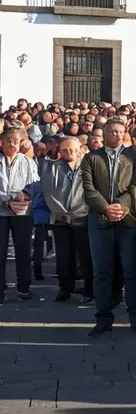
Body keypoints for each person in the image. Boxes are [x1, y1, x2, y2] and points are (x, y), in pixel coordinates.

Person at [80, 119, 136, 336]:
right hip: (100, 221)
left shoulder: (134, 155)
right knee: (102, 271)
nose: (117, 135)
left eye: (120, 131)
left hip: (128, 221)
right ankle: (103, 317)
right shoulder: (91, 158)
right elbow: (88, 189)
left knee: (132, 270)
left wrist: (123, 206)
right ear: (104, 134)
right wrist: (106, 209)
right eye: (112, 132)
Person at [42, 136, 92, 303]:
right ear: (60, 151)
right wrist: (62, 212)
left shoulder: (88, 167)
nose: (69, 152)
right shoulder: (51, 167)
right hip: (60, 218)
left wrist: (78, 212)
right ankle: (65, 287)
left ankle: (88, 289)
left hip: (82, 217)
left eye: (72, 149)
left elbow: (90, 193)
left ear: (79, 151)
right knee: (64, 256)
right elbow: (49, 193)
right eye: (65, 150)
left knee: (85, 255)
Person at [0, 127, 39, 302]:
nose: (12, 144)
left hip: (21, 211)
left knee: (23, 250)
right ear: (2, 142)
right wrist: (5, 199)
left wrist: (25, 194)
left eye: (16, 141)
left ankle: (24, 287)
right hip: (1, 211)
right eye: (9, 141)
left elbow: (35, 184)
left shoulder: (28, 161)